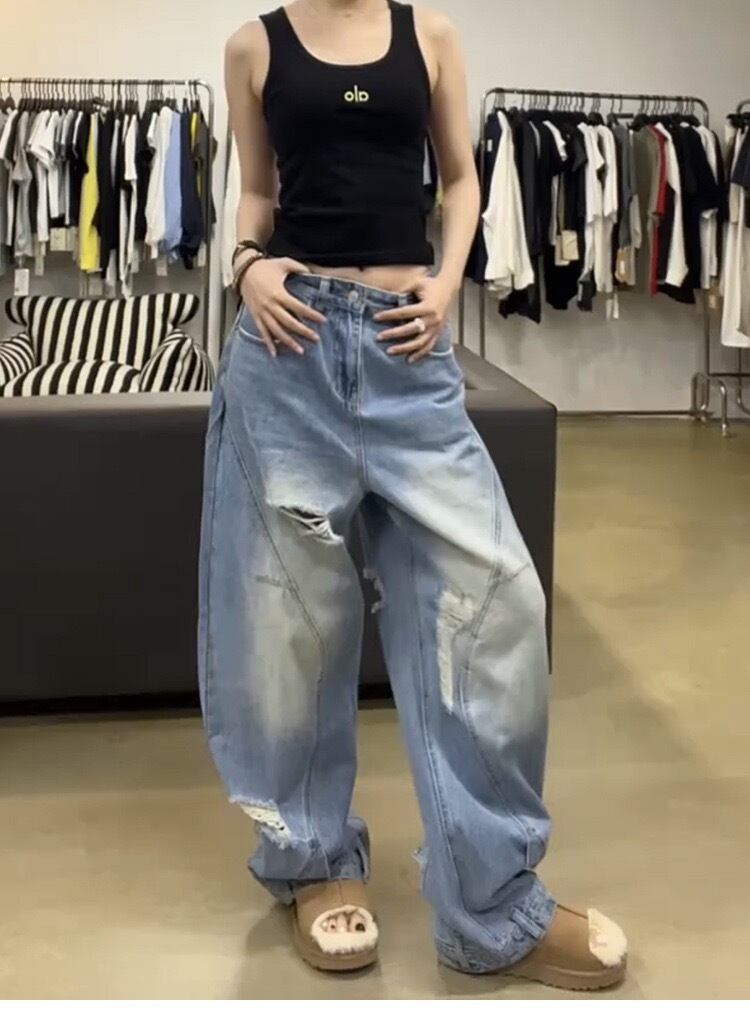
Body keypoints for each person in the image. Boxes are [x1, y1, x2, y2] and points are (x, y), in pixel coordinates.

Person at [198, 0, 627, 990]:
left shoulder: (429, 37)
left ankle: (493, 904)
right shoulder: (254, 45)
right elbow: (255, 193)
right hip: (289, 351)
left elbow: (463, 180)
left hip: (408, 351)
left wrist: (447, 283)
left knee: (497, 598)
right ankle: (314, 866)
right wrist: (247, 267)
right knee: (287, 625)